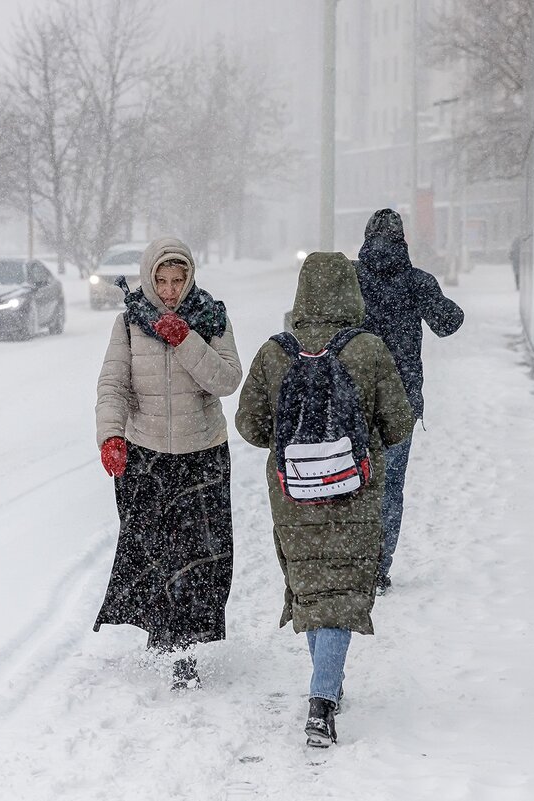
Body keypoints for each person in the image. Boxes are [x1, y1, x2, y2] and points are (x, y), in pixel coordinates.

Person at [235, 251, 415, 747]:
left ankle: (325, 686)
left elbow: (249, 426)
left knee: (314, 589)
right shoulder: (369, 349)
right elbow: (398, 424)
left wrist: (293, 442)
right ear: (351, 292)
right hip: (355, 489)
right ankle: (322, 700)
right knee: (339, 594)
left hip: (293, 494)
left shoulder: (276, 351)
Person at [94, 236, 243, 690]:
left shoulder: (212, 317)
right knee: (154, 553)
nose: (171, 290)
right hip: (146, 456)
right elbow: (113, 385)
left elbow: (228, 379)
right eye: (162, 280)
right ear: (149, 278)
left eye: (179, 280)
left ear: (191, 276)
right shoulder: (129, 324)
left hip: (202, 455)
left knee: (198, 556)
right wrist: (111, 436)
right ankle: (166, 639)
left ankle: (186, 645)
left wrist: (186, 339)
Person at [355, 209, 465, 594]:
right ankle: (378, 568)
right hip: (400, 401)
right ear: (403, 241)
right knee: (389, 486)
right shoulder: (416, 282)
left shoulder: (351, 279)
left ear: (366, 238)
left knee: (350, 479)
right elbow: (448, 323)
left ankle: (350, 560)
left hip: (354, 400)